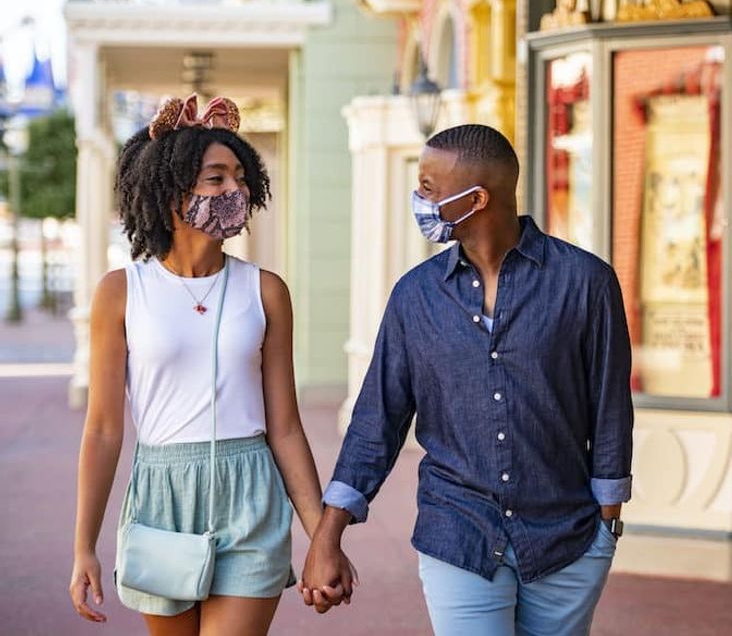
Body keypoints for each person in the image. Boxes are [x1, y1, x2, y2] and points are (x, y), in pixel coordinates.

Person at [301, 124, 634, 635]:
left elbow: (610, 408)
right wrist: (329, 533)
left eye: (430, 189)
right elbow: (377, 419)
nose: (420, 200)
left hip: (567, 537)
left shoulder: (586, 283)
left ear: (476, 198)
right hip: (456, 532)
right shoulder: (416, 297)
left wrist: (607, 524)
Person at [69, 94, 324, 636]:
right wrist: (83, 547)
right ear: (171, 191)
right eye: (216, 178)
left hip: (251, 492)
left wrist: (322, 537)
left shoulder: (266, 291)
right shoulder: (120, 292)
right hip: (162, 495)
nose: (236, 189)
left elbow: (286, 427)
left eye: (239, 175)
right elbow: (103, 430)